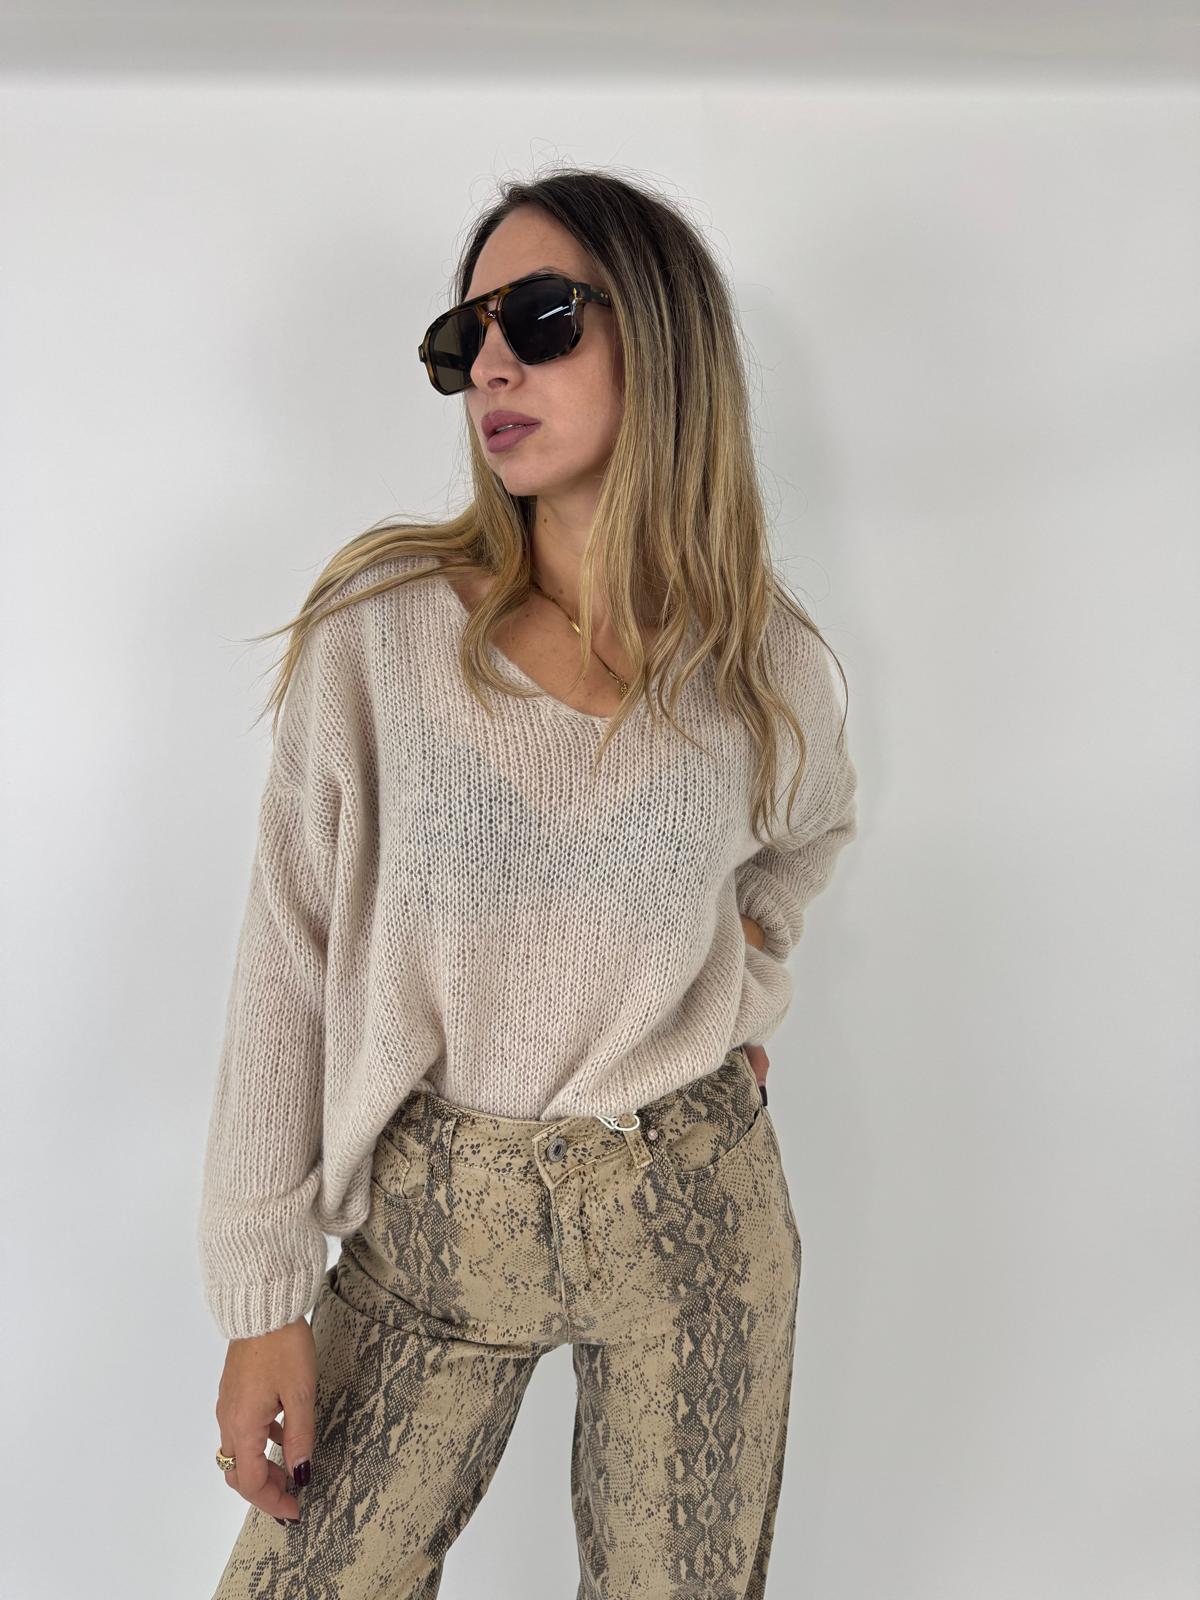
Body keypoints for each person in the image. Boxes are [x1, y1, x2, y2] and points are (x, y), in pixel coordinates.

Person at [201, 167, 859, 1599]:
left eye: (542, 318)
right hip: (432, 1226)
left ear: (663, 339)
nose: (491, 366)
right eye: (465, 338)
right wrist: (262, 1298)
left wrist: (739, 986)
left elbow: (807, 835)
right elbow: (287, 964)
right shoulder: (382, 638)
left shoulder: (764, 665)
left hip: (693, 1212)